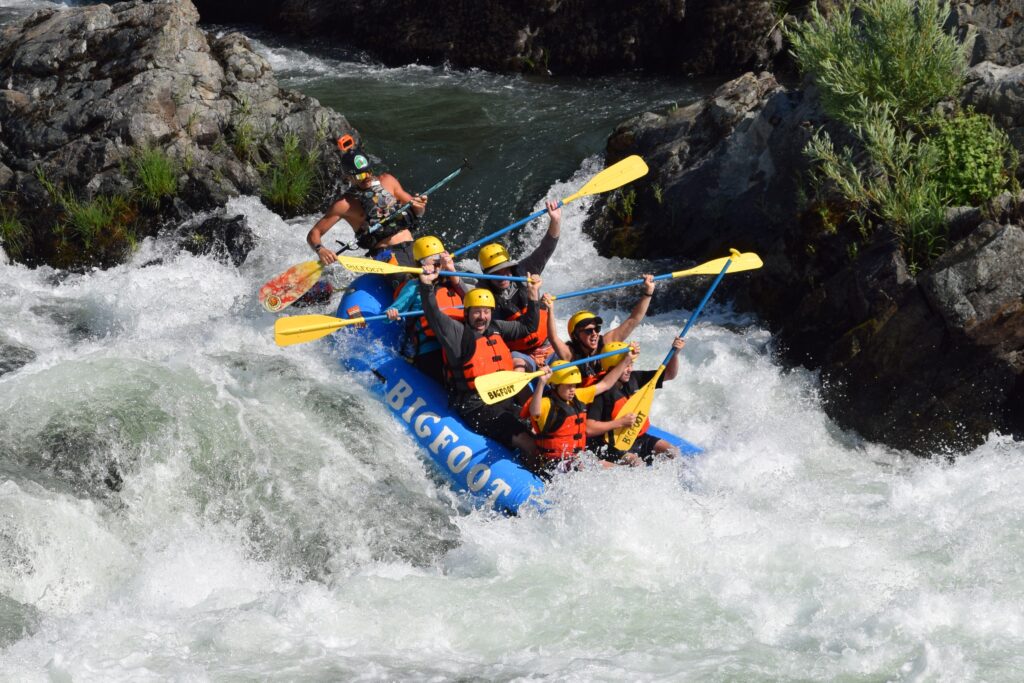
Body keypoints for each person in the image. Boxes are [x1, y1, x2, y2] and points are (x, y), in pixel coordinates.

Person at [418, 266, 545, 467]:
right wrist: (426, 286)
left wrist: (533, 295)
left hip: (505, 398)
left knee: (542, 436)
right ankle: (539, 484)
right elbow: (434, 315)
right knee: (529, 443)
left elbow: (528, 327)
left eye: (486, 312)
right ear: (467, 313)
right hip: (476, 405)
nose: (482, 317)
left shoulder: (496, 328)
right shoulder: (457, 334)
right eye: (477, 312)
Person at [306, 136, 427, 268]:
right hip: (386, 254)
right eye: (360, 175)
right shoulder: (344, 204)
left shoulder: (388, 180)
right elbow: (314, 233)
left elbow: (418, 212)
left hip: (412, 245)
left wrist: (420, 205)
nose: (367, 177)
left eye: (368, 171)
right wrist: (320, 249)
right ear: (348, 177)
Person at [476, 200, 561, 372]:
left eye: (505, 270)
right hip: (519, 352)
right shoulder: (482, 295)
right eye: (496, 273)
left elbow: (547, 247)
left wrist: (555, 220)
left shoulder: (524, 271)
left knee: (568, 360)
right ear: (486, 275)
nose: (503, 277)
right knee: (518, 368)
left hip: (547, 342)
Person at [528, 353, 636, 475]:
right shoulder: (546, 403)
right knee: (589, 465)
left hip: (576, 458)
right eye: (568, 386)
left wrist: (626, 360)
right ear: (555, 385)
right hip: (552, 462)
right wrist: (541, 383)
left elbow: (605, 384)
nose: (572, 389)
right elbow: (534, 411)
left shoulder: (578, 396)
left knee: (614, 468)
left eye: (574, 385)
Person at [543, 274, 656, 386]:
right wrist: (550, 309)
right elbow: (553, 338)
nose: (594, 334)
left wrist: (648, 292)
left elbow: (633, 320)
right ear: (575, 336)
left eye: (596, 329)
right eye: (588, 331)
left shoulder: (606, 342)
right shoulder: (571, 354)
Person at [587, 338, 686, 466]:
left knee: (673, 452)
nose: (629, 369)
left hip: (638, 437)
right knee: (636, 463)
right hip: (612, 444)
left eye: (631, 364)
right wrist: (619, 423)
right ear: (612, 368)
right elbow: (589, 428)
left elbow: (670, 374)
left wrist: (675, 354)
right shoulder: (601, 393)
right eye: (626, 365)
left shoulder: (635, 378)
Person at [386, 236, 464, 385]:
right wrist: (391, 313)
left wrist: (452, 271)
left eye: (439, 258)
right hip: (431, 347)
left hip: (458, 341)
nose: (438, 262)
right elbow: (392, 311)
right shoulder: (414, 286)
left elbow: (470, 301)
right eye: (433, 259)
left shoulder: (451, 280)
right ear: (421, 263)